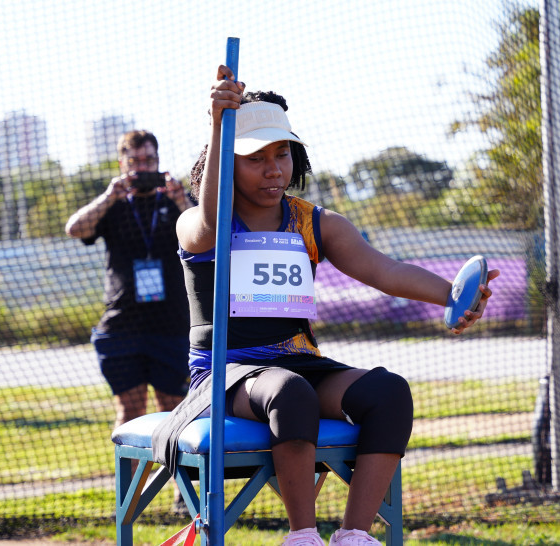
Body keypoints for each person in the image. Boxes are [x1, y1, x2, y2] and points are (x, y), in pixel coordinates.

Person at [175, 67, 499, 546]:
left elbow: (385, 271)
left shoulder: (316, 222)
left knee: (389, 392)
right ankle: (302, 536)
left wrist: (455, 296)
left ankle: (354, 535)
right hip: (225, 375)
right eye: (255, 158)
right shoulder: (196, 223)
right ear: (224, 160)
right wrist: (219, 124)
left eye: (282, 154)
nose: (273, 169)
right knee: (290, 392)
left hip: (297, 365)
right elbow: (209, 222)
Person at [65, 130, 194, 431]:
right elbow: (75, 229)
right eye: (134, 162)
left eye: (148, 160)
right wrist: (110, 196)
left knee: (174, 416)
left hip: (172, 325)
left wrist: (181, 200)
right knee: (130, 413)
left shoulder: (177, 202)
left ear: (158, 161)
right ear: (122, 164)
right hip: (123, 327)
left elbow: (209, 237)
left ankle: (171, 467)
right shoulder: (114, 205)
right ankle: (130, 466)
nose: (142, 167)